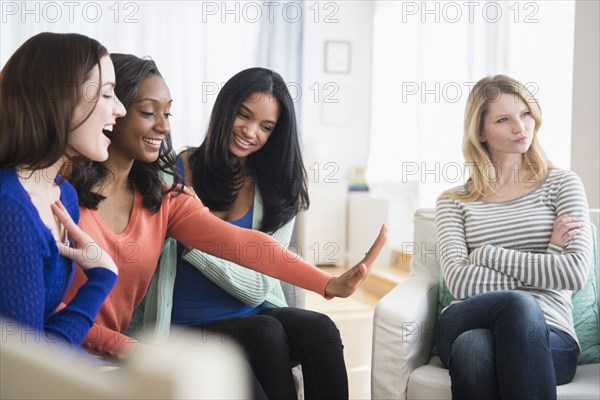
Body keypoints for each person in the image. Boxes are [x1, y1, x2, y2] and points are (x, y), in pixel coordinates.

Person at [62, 55, 386, 362]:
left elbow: (246, 245)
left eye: (168, 114)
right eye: (149, 112)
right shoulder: (58, 196)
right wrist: (130, 350)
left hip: (117, 357)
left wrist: (327, 283)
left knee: (296, 338)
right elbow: (46, 308)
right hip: (63, 353)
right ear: (112, 112)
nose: (164, 127)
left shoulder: (164, 199)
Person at [138, 67, 349, 399]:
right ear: (225, 109)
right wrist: (194, 229)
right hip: (186, 327)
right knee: (265, 332)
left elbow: (258, 289)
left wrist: (195, 240)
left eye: (266, 127)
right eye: (244, 115)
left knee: (320, 329)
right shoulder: (168, 175)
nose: (250, 132)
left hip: (256, 315)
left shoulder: (277, 190)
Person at [435, 75, 593, 399]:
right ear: (480, 131)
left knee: (472, 350)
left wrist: (488, 254)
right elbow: (460, 283)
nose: (520, 127)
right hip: (465, 317)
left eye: (525, 114)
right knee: (518, 303)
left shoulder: (563, 184)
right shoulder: (453, 201)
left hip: (551, 336)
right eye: (504, 119)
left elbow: (575, 272)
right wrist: (549, 259)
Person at [0, 32, 123, 347]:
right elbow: (26, 369)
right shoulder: (9, 208)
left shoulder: (63, 194)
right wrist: (102, 278)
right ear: (59, 98)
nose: (120, 109)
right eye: (107, 94)